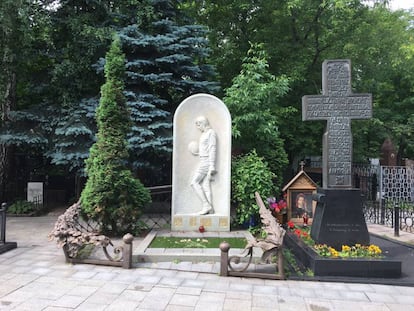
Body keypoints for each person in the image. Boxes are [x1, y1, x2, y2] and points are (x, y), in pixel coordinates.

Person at [189, 116, 217, 215]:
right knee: (205, 185)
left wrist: (212, 165)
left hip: (206, 162)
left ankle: (206, 205)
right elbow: (204, 149)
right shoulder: (204, 134)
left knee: (194, 182)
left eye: (198, 125)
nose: (198, 128)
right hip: (203, 159)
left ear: (202, 123)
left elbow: (212, 149)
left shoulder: (211, 133)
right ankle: (210, 209)